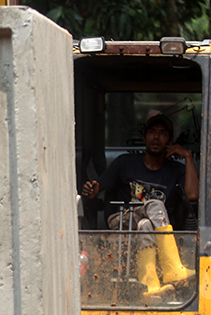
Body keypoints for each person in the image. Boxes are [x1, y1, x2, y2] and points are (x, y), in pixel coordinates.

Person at [81, 111, 198, 297]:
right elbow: (96, 188)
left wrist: (188, 157)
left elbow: (192, 195)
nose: (157, 137)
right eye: (152, 132)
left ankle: (150, 286)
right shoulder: (125, 162)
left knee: (146, 225)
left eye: (162, 133)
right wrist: (91, 189)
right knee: (156, 206)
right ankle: (173, 268)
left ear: (170, 139)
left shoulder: (176, 169)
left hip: (147, 227)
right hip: (121, 220)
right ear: (144, 137)